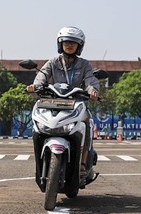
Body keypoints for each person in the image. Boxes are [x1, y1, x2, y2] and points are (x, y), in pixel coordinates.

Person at [26, 26, 100, 184]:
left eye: (73, 43)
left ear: (79, 46)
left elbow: (90, 80)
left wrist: (92, 90)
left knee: (87, 123)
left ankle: (81, 163)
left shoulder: (85, 65)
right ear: (60, 44)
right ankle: (41, 160)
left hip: (76, 104)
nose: (69, 45)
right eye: (66, 42)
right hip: (53, 103)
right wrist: (35, 86)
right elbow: (42, 76)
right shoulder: (52, 62)